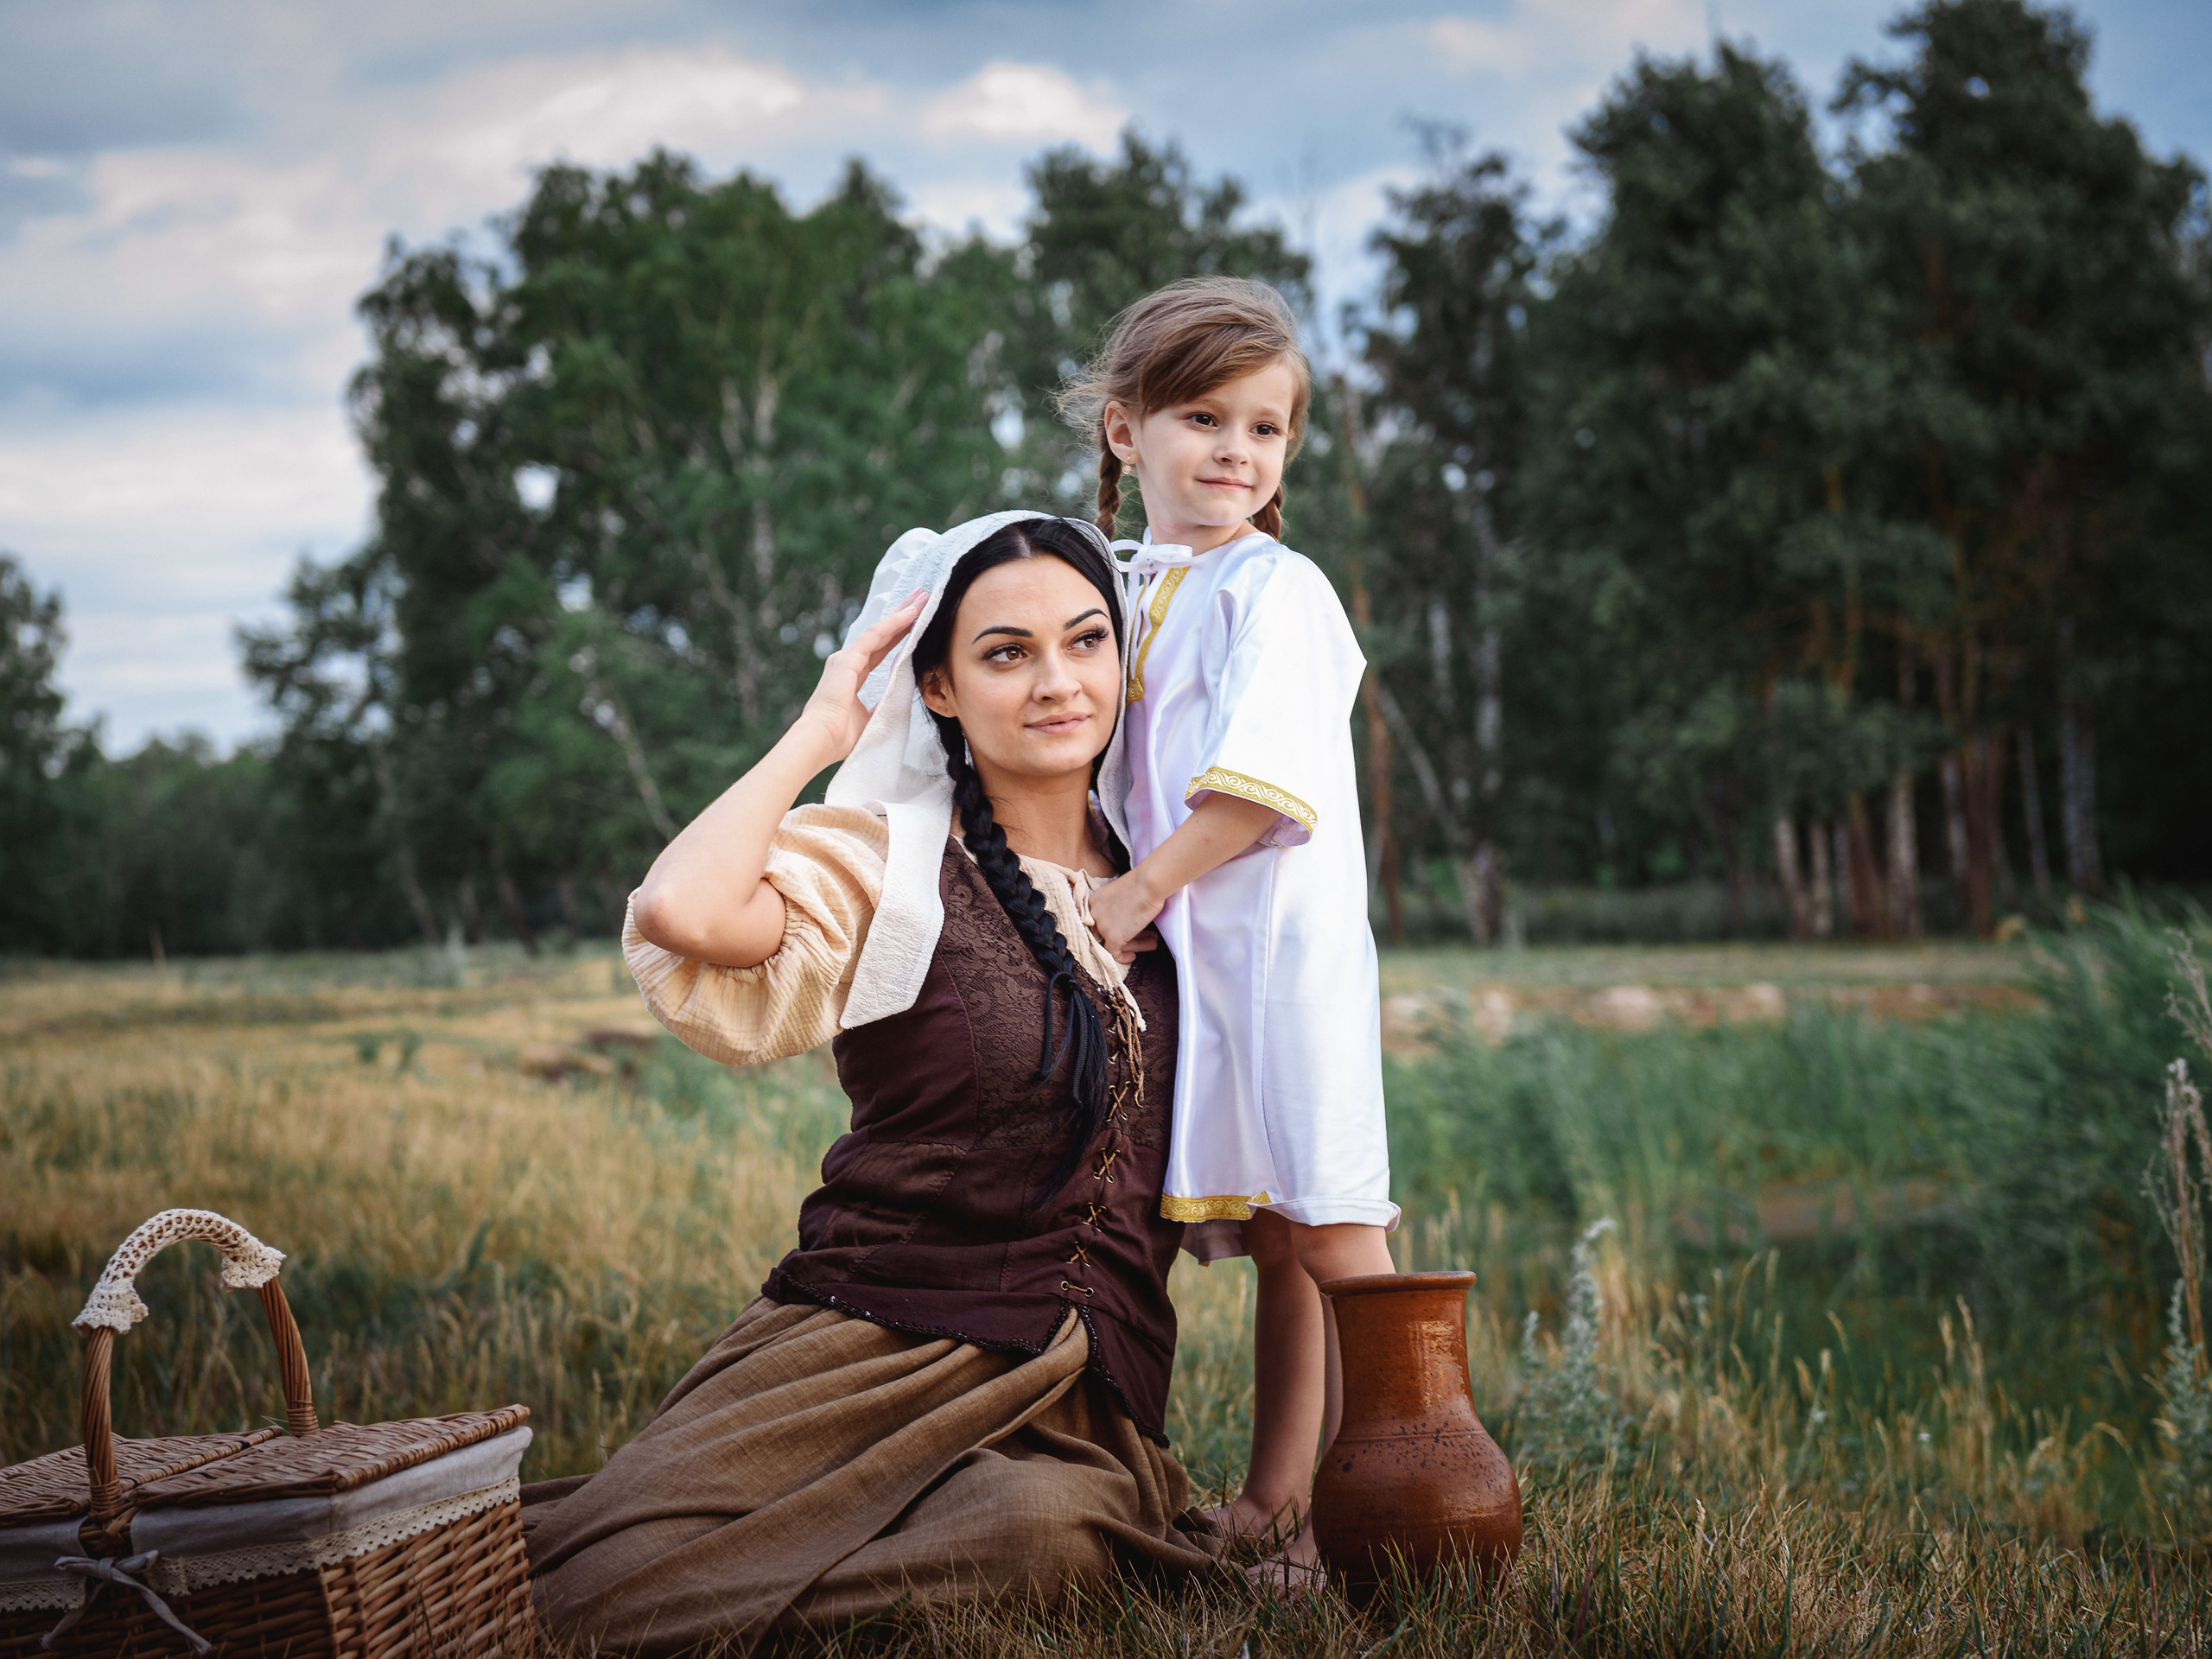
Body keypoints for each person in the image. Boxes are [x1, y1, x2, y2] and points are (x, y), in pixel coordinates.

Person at [522, 512, 1221, 1656]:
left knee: (1046, 1537)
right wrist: (820, 728)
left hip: (1078, 1397)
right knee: (590, 1596)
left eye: (1087, 640)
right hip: (866, 1344)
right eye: (1007, 653)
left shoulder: (1174, 873)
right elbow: (681, 911)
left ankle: (781, 1578)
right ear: (938, 686)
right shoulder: (889, 867)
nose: (1058, 682)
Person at [1071, 278, 1399, 1577]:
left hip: (1280, 959)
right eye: (1203, 418)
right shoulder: (1124, 583)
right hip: (1199, 966)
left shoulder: (1281, 588)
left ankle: (1390, 1505)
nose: (1236, 452)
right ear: (1125, 431)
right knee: (1275, 1237)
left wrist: (1136, 892)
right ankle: (1275, 1503)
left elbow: (1263, 787)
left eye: (1265, 429)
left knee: (1330, 1226)